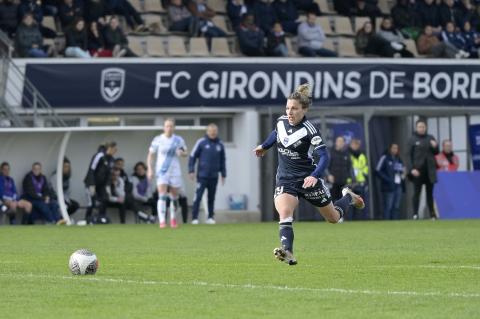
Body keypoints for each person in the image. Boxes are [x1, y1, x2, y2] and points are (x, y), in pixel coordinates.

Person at [253, 83, 365, 266]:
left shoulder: (310, 130)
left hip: (308, 181)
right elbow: (276, 134)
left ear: (304, 109)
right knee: (284, 213)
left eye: (294, 109)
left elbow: (324, 156)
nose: (290, 112)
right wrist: (264, 146)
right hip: (286, 179)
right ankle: (288, 251)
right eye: (288, 108)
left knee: (334, 218)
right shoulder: (281, 121)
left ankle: (348, 197)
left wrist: (314, 175)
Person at [147, 118, 188, 228]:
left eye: (171, 126)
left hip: (175, 170)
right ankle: (162, 222)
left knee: (174, 196)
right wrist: (150, 169)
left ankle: (173, 219)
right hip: (162, 170)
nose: (169, 128)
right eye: (167, 126)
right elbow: (150, 155)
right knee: (162, 195)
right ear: (164, 127)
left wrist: (182, 153)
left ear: (174, 127)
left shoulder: (178, 139)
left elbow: (186, 152)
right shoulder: (158, 139)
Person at [188, 123, 226, 225]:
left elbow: (223, 160)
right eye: (211, 131)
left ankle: (210, 217)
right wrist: (191, 170)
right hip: (202, 176)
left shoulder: (220, 144)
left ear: (216, 132)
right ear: (207, 132)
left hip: (214, 176)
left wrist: (223, 174)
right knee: (198, 196)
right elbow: (192, 156)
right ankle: (194, 218)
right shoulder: (201, 142)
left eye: (214, 131)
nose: (213, 133)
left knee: (211, 197)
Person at [408, 119, 439, 220]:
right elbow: (408, 156)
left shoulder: (430, 138)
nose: (421, 128)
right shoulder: (412, 139)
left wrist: (435, 146)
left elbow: (436, 152)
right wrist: (412, 169)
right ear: (416, 128)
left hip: (430, 171)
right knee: (417, 193)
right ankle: (415, 214)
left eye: (423, 127)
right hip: (418, 171)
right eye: (419, 127)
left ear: (426, 128)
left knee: (430, 194)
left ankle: (432, 214)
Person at [83, 141, 117, 224]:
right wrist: (91, 184)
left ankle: (101, 219)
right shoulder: (99, 156)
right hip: (92, 183)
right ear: (110, 148)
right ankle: (87, 220)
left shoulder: (112, 159)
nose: (116, 150)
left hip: (102, 185)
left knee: (105, 199)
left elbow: (109, 175)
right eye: (114, 148)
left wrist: (108, 186)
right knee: (91, 202)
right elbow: (91, 169)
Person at [376, 143, 405, 220]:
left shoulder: (399, 159)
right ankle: (386, 223)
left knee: (396, 206)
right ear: (390, 149)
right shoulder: (385, 158)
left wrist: (403, 173)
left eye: (396, 148)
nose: (395, 150)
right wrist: (388, 180)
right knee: (388, 206)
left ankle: (395, 223)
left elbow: (402, 170)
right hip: (388, 186)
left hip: (398, 185)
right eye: (393, 148)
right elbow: (377, 171)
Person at [327, 136, 353, 201]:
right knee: (332, 202)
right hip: (333, 183)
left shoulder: (347, 154)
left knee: (342, 202)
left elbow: (349, 168)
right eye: (338, 141)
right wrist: (328, 175)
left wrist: (351, 180)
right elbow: (325, 167)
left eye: (342, 141)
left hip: (344, 183)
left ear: (344, 143)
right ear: (336, 142)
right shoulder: (330, 153)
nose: (340, 143)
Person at [349, 138, 368, 220]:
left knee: (360, 202)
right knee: (350, 202)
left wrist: (364, 177)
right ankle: (349, 220)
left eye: (356, 144)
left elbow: (365, 168)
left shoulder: (362, 155)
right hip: (350, 183)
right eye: (353, 144)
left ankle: (359, 219)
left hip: (360, 182)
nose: (354, 146)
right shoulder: (348, 155)